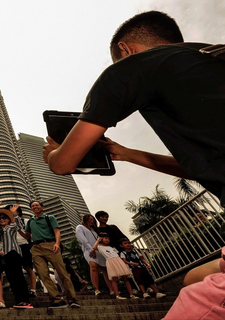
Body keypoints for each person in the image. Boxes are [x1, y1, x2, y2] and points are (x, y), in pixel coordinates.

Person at [43, 10, 225, 207]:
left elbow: (63, 164)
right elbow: (204, 167)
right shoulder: (212, 55)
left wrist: (54, 155)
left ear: (126, 50)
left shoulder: (132, 67)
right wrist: (125, 153)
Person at [24, 200, 80, 308]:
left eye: (37, 205)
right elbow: (27, 236)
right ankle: (57, 300)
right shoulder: (30, 221)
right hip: (36, 248)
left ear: (42, 207)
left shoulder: (49, 218)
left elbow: (57, 231)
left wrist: (57, 244)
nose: (34, 207)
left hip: (50, 244)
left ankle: (72, 299)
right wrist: (17, 228)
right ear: (31, 209)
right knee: (43, 274)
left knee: (62, 272)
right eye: (32, 206)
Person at [0, 204, 33, 309]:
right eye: (0, 218)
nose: (2, 219)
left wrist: (14, 214)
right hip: (4, 256)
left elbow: (19, 226)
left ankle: (25, 301)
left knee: (18, 277)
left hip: (13, 253)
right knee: (11, 279)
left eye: (4, 217)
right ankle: (19, 301)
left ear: (8, 219)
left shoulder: (11, 226)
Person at [4, 204, 37, 297]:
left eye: (12, 210)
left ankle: (33, 290)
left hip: (23, 245)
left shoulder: (24, 221)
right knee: (15, 270)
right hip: (12, 248)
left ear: (18, 212)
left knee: (28, 267)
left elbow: (29, 235)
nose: (10, 213)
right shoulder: (5, 223)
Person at [75, 214, 113, 295]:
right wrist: (90, 249)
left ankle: (112, 289)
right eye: (89, 219)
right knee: (93, 267)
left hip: (99, 250)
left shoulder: (94, 230)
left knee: (105, 269)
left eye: (92, 219)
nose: (91, 221)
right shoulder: (80, 227)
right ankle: (97, 289)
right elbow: (83, 240)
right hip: (88, 250)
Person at [93, 233, 138, 300]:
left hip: (118, 261)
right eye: (105, 238)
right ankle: (117, 295)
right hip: (111, 262)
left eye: (108, 239)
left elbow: (117, 254)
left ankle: (131, 294)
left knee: (125, 278)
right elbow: (94, 247)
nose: (107, 240)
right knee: (114, 279)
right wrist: (98, 240)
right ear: (101, 239)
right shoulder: (100, 247)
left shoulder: (112, 247)